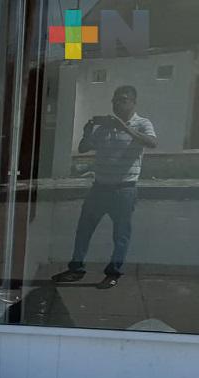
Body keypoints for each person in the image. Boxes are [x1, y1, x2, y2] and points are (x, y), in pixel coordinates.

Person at [53, 85, 157, 289]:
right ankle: (76, 269)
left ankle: (113, 273)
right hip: (99, 187)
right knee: (83, 230)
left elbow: (152, 143)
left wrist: (124, 127)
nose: (118, 103)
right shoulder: (105, 128)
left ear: (134, 103)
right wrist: (88, 129)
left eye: (123, 99)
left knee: (120, 235)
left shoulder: (142, 123)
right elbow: (84, 148)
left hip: (124, 189)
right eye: (115, 100)